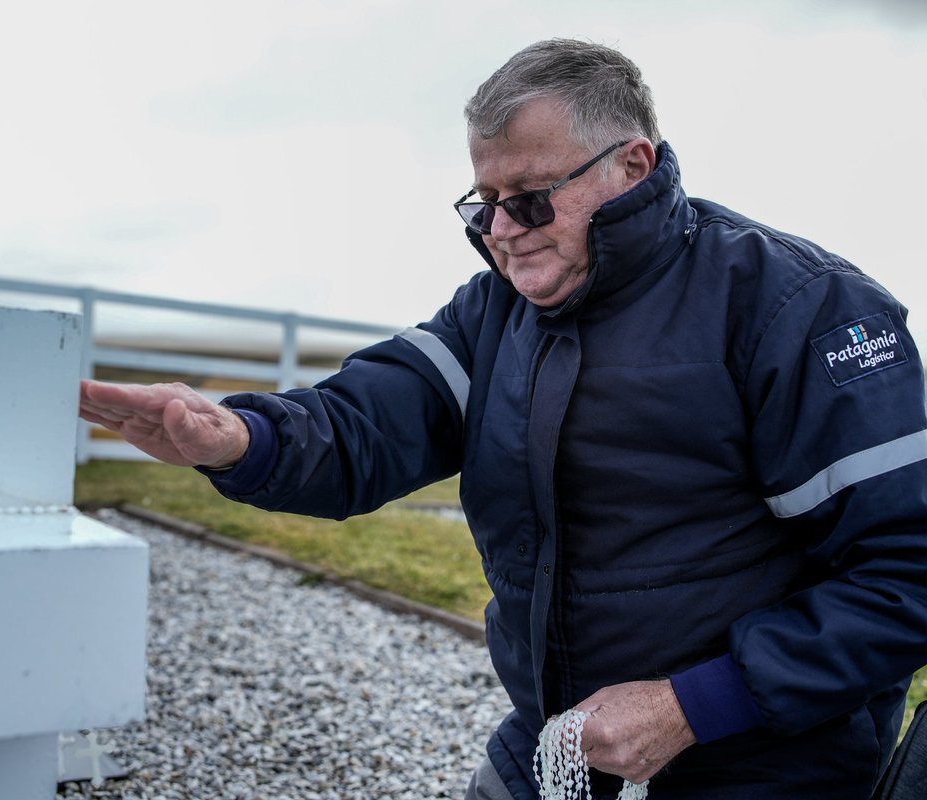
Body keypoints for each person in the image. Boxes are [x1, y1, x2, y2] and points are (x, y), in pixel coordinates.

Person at [79, 38, 927, 798]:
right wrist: (239, 438)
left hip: (763, 758)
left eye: (528, 198)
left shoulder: (802, 308)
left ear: (631, 166)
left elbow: (906, 572)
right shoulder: (493, 312)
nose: (499, 231)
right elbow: (368, 423)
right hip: (557, 739)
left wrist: (690, 706)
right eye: (481, 202)